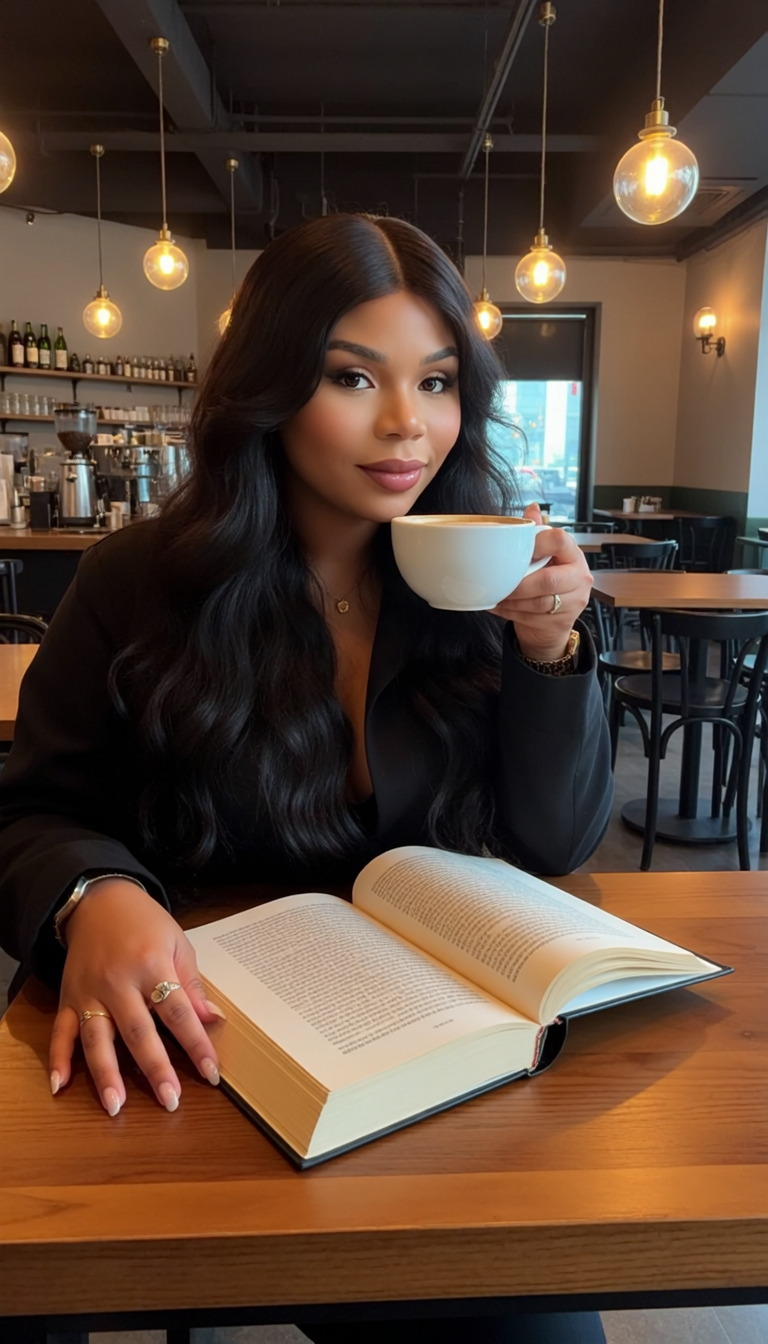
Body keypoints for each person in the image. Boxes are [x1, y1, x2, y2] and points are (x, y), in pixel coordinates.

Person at [0, 213, 610, 1343]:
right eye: (350, 376)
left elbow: (559, 843)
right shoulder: (138, 581)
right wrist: (96, 895)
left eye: (437, 382)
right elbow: (34, 808)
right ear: (270, 389)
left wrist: (552, 654)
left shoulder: (480, 585)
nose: (405, 426)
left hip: (423, 1068)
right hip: (201, 1044)